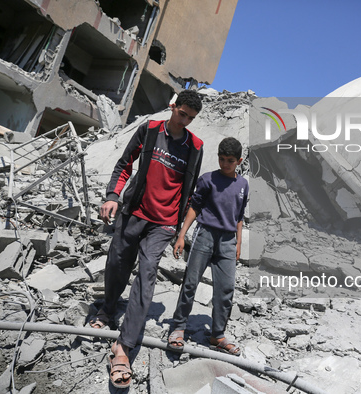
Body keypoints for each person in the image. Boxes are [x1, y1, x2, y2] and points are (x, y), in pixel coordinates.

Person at [90, 90, 204, 388]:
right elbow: (124, 163)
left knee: (148, 271)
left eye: (191, 118)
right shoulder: (150, 130)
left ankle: (124, 347)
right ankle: (108, 306)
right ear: (173, 107)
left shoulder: (195, 146)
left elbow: (190, 188)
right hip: (134, 211)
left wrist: (180, 229)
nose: (185, 122)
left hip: (164, 223)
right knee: (117, 261)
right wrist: (113, 196)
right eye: (182, 115)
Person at [167, 137, 248, 356]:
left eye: (229, 160)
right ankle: (178, 327)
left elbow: (239, 216)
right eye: (221, 159)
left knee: (225, 290)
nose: (224, 164)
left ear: (238, 161)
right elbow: (194, 207)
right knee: (190, 283)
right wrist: (182, 235)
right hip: (205, 236)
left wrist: (238, 243)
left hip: (228, 242)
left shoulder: (243, 185)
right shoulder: (207, 180)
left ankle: (217, 335)